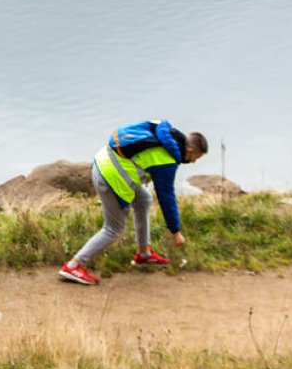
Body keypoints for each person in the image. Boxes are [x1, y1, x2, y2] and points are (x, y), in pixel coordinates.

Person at [58, 121, 208, 286]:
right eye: (196, 158)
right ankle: (74, 265)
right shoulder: (167, 160)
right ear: (191, 150)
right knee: (113, 229)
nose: (193, 162)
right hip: (110, 177)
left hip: (104, 159)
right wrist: (175, 231)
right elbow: (167, 197)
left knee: (144, 199)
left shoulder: (161, 127)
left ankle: (144, 254)